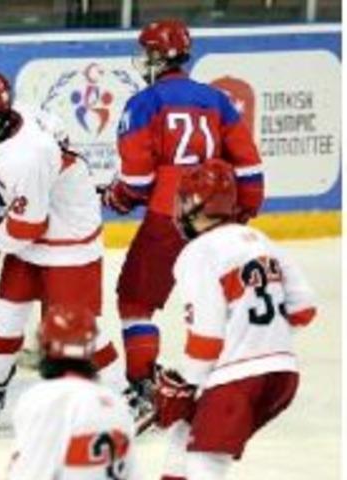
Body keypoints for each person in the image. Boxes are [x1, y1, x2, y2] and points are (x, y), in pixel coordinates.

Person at [101, 19, 264, 401]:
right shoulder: (217, 99)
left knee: (135, 300)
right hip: (218, 215)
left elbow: (137, 182)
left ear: (159, 58)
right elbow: (250, 166)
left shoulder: (143, 103)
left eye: (147, 54)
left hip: (168, 216)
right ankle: (237, 375)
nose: (143, 61)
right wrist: (242, 214)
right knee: (221, 298)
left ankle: (143, 382)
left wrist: (118, 198)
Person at [0, 69, 127, 428]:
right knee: (7, 315)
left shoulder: (26, 156)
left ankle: (121, 395)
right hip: (31, 233)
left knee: (78, 326)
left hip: (67, 240)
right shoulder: (20, 116)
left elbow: (31, 225)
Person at [154, 158, 315, 480]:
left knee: (205, 464)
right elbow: (304, 309)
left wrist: (188, 385)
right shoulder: (261, 241)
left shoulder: (198, 253)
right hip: (282, 376)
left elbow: (207, 338)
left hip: (237, 380)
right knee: (183, 438)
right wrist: (259, 337)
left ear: (195, 204)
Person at [8, 306, 141, 480]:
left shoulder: (37, 400)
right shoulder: (117, 404)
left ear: (45, 346)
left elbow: (29, 473)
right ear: (92, 347)